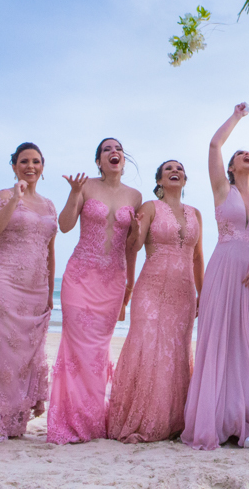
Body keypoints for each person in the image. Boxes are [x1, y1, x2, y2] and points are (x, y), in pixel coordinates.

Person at [183, 104, 249, 450]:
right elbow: (213, 145)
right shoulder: (222, 191)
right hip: (223, 270)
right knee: (221, 340)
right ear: (231, 166)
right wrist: (237, 117)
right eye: (241, 154)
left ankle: (245, 416)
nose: (247, 157)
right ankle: (218, 418)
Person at [47, 138, 141, 444]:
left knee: (99, 352)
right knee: (77, 349)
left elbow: (131, 248)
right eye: (106, 150)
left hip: (113, 280)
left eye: (118, 150)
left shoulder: (136, 196)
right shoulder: (86, 187)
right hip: (80, 276)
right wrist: (74, 194)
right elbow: (64, 226)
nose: (114, 153)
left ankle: (92, 418)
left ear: (124, 161)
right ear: (99, 161)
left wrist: (128, 289)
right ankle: (69, 420)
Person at [0, 143, 57, 446]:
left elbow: (49, 249)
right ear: (14, 166)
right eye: (24, 161)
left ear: (42, 167)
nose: (30, 166)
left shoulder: (49, 205)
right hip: (0, 282)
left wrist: (49, 291)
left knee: (23, 357)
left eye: (36, 161)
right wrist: (15, 198)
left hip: (35, 289)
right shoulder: (4, 196)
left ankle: (14, 419)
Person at [108, 160, 204, 442]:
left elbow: (198, 257)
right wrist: (136, 233)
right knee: (147, 347)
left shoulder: (196, 213)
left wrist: (204, 292)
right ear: (160, 180)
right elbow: (133, 247)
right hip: (150, 289)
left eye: (180, 169)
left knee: (176, 352)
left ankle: (172, 421)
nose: (175, 171)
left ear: (185, 179)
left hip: (183, 293)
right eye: (168, 169)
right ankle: (140, 419)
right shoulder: (149, 207)